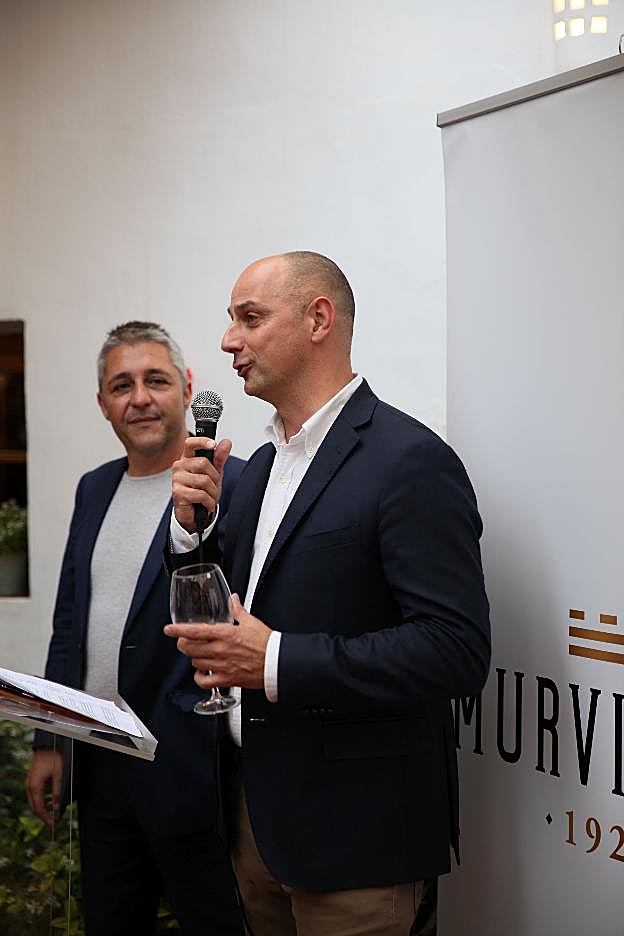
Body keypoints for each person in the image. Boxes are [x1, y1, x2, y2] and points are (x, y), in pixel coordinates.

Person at [166, 253, 491, 935]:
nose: (228, 340)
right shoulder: (260, 468)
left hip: (357, 839)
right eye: (231, 320)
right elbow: (240, 604)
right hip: (255, 823)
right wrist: (192, 529)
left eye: (249, 318)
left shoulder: (408, 460)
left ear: (319, 319)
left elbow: (455, 651)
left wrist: (275, 660)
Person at [26, 321, 245, 936]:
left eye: (156, 380)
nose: (140, 398)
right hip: (100, 765)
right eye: (121, 386)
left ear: (187, 388)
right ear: (103, 403)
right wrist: (50, 740)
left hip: (190, 767)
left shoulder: (232, 482)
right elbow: (69, 622)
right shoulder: (94, 488)